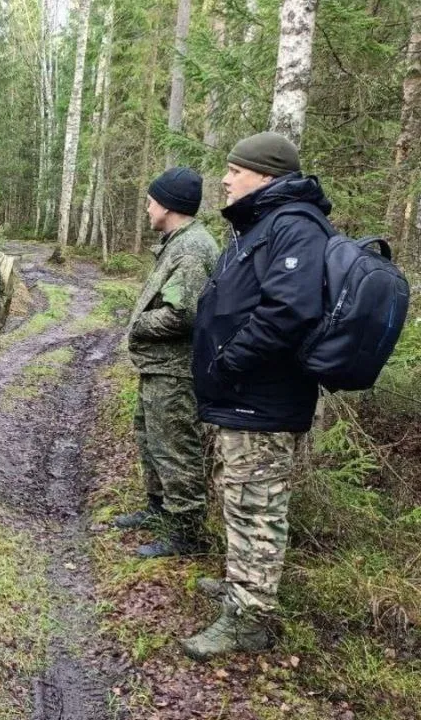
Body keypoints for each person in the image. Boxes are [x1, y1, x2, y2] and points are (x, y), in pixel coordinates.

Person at [184, 132, 332, 661]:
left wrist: (229, 362)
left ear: (265, 176)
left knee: (257, 506)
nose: (225, 179)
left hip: (261, 400)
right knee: (240, 499)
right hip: (243, 398)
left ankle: (251, 619)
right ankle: (242, 587)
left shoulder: (294, 227)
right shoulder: (262, 225)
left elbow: (287, 312)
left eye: (235, 170)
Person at [112, 168, 219, 559]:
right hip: (159, 367)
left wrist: (138, 324)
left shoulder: (191, 249)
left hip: (175, 370)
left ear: (169, 205)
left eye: (151, 201)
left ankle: (187, 534)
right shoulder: (177, 242)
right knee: (150, 439)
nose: (147, 208)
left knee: (175, 448)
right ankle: (157, 508)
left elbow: (182, 314)